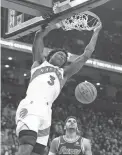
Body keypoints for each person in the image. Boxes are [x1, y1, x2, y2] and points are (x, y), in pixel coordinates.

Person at [15, 21, 102, 155]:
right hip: (32, 105)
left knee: (38, 151)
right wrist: (55, 25)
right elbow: (38, 36)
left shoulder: (64, 74)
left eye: (64, 57)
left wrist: (96, 32)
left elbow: (86, 55)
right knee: (26, 145)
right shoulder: (39, 63)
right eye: (59, 54)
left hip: (46, 112)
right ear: (50, 55)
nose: (62, 56)